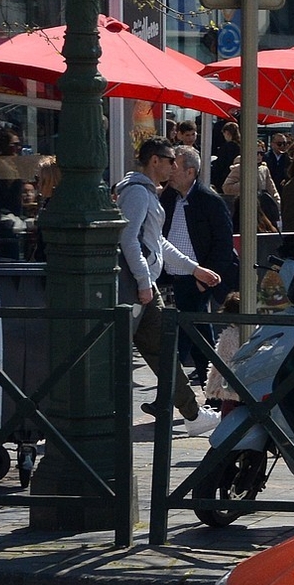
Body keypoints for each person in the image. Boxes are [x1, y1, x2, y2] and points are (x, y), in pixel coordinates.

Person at [118, 138, 198, 423]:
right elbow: (129, 239)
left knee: (161, 348)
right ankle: (190, 412)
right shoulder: (138, 193)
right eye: (170, 159)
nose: (174, 166)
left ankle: (187, 411)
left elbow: (156, 240)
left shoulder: (147, 193)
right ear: (154, 160)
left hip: (144, 282)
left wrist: (192, 268)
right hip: (138, 284)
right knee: (159, 347)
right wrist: (142, 281)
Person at [158, 145, 235, 387]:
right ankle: (207, 388)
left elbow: (224, 243)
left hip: (197, 279)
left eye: (175, 166)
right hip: (171, 278)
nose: (170, 171)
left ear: (191, 172)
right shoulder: (169, 197)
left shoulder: (209, 200)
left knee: (182, 340)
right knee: (198, 338)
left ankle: (171, 395)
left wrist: (205, 279)